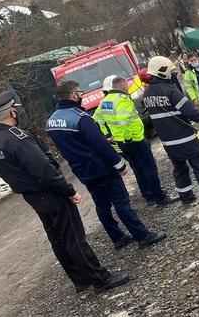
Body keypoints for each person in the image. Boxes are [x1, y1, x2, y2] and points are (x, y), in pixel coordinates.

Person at [0, 92, 130, 294]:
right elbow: (43, 169)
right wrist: (68, 190)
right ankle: (100, 279)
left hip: (32, 196)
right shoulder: (16, 138)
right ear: (12, 111)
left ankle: (79, 280)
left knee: (57, 238)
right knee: (74, 237)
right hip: (50, 192)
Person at [46, 81, 167, 250]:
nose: (81, 95)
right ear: (74, 95)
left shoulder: (52, 121)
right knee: (121, 202)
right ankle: (142, 235)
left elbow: (75, 144)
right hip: (101, 168)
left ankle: (117, 238)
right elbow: (99, 145)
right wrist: (119, 164)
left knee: (101, 204)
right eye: (79, 92)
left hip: (82, 170)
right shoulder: (80, 117)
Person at [143, 56, 199, 203]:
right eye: (171, 71)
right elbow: (190, 111)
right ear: (162, 71)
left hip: (167, 142)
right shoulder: (171, 90)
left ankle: (186, 196)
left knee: (179, 169)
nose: (174, 74)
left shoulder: (147, 93)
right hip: (185, 137)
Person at [94, 75, 173, 206]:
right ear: (123, 86)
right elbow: (124, 121)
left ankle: (149, 197)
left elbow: (97, 120)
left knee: (137, 168)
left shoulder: (105, 101)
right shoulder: (123, 100)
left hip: (120, 142)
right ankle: (159, 197)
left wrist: (107, 134)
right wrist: (129, 138)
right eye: (127, 86)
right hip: (134, 140)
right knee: (149, 167)